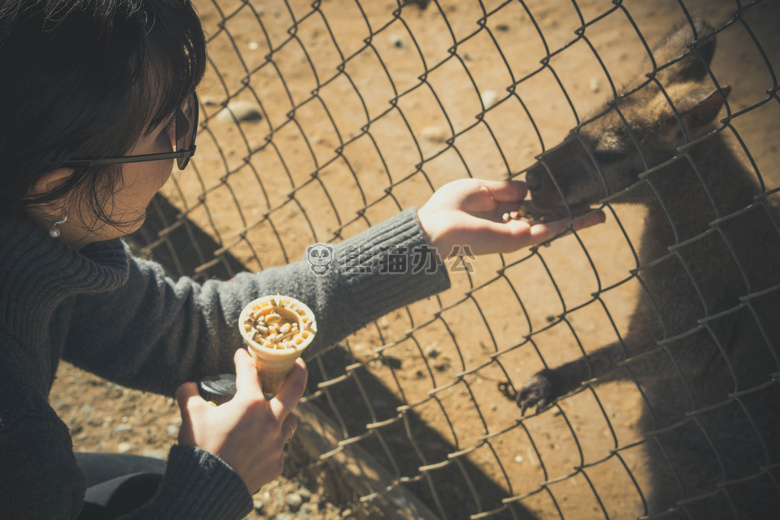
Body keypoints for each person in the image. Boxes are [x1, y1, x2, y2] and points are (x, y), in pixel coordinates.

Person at [0, 1, 606, 519]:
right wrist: (211, 488)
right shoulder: (20, 441)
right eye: (170, 129)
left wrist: (424, 239)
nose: (187, 144)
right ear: (56, 183)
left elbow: (180, 329)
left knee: (137, 479)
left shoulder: (43, 235)